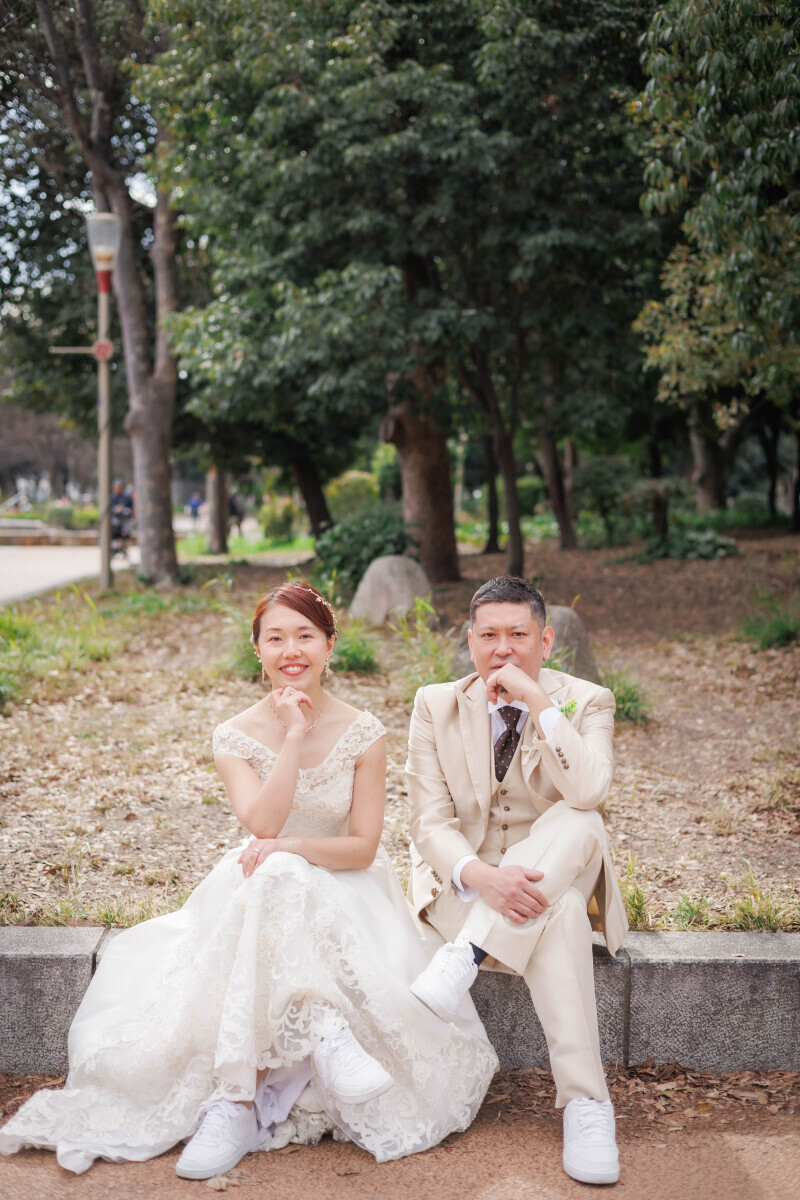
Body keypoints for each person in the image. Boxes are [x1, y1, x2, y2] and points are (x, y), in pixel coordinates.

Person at [0, 582, 496, 1179]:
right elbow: (262, 824)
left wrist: (290, 849)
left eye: (306, 636)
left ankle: (239, 1101)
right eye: (276, 638)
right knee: (276, 874)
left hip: (345, 887)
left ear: (330, 644)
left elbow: (362, 847)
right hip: (258, 885)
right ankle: (306, 1046)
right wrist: (292, 734)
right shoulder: (234, 734)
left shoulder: (364, 732)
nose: (292, 650)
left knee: (282, 867)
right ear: (256, 649)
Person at [404, 575, 628, 1187]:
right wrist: (484, 877)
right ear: (470, 641)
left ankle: (467, 956)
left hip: (550, 876)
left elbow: (589, 790)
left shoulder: (588, 701)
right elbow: (429, 822)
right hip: (467, 889)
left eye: (518, 635)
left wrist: (538, 702)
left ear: (545, 640)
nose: (502, 649)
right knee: (562, 915)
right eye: (488, 636)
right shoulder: (435, 704)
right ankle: (588, 1104)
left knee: (581, 819)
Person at [110, 478, 135, 557]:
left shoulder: (127, 497)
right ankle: (115, 550)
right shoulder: (113, 497)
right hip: (115, 519)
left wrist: (124, 510)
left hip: (125, 519)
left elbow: (131, 508)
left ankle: (124, 550)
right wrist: (115, 510)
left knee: (125, 534)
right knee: (114, 533)